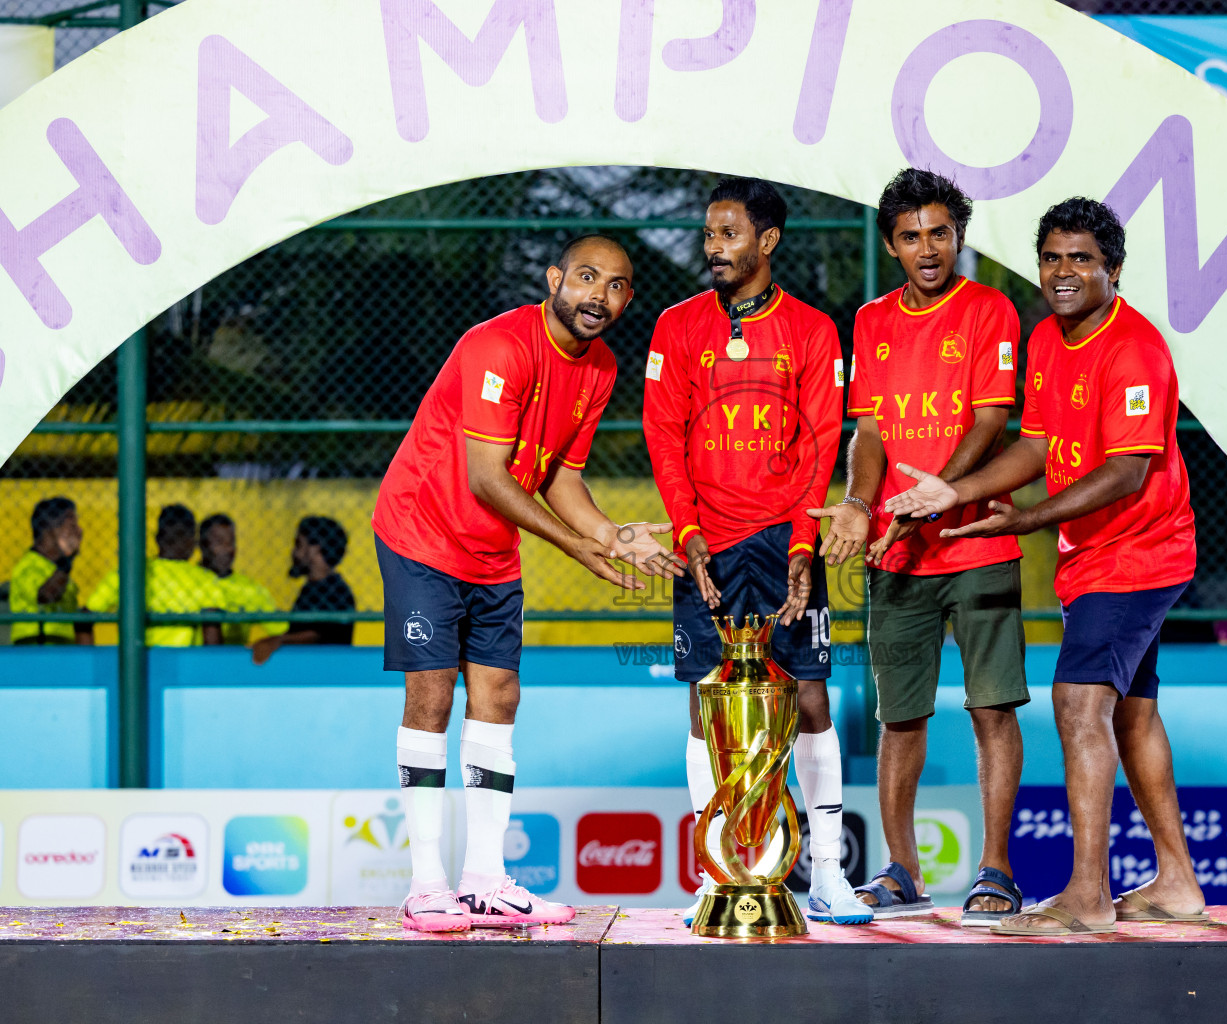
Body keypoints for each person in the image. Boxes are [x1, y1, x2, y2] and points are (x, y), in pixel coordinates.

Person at [885, 197, 1207, 934]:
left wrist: (1027, 519)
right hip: (1098, 555)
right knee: (1133, 711)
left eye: (1082, 259)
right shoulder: (1047, 338)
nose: (1064, 272)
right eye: (1053, 258)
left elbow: (1127, 471)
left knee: (1077, 703)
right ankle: (1178, 883)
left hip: (1137, 552)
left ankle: (1087, 897)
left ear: (1113, 270)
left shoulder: (1135, 349)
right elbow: (1038, 446)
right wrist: (956, 492)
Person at [372, 234, 683, 933]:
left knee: (500, 695)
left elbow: (561, 476)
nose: (597, 296)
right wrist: (577, 548)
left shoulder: (599, 367)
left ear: (627, 299)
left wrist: (608, 533)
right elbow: (489, 477)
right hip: (422, 532)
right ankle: (426, 885)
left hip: (489, 548)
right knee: (431, 697)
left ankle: (485, 880)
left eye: (615, 286)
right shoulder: (499, 347)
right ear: (554, 279)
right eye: (585, 278)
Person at [643, 176, 867, 926]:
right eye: (709, 234)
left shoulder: (811, 329)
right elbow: (662, 437)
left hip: (781, 539)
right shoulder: (675, 327)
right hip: (706, 540)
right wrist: (685, 530)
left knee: (806, 694)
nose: (714, 248)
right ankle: (717, 874)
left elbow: (820, 439)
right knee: (706, 704)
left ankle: (828, 875)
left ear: (767, 242)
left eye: (729, 234)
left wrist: (804, 541)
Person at [808, 168, 1029, 926]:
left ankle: (995, 868)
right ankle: (902, 870)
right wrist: (864, 506)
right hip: (895, 558)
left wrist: (927, 503)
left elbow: (990, 423)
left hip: (976, 541)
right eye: (911, 236)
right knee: (899, 717)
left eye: (940, 233)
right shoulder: (870, 321)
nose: (927, 248)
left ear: (958, 236)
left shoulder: (992, 310)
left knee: (991, 709)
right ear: (891, 244)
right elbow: (868, 432)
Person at [86, 504, 223, 647]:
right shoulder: (204, 579)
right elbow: (212, 638)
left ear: (157, 538)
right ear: (193, 541)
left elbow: (85, 616)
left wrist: (87, 659)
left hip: (136, 662)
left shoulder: (131, 572)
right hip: (185, 664)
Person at [251, 516, 355, 664]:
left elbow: (318, 635)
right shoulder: (311, 589)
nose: (293, 552)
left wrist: (277, 641)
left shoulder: (336, 591)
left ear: (315, 549)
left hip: (327, 672)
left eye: (298, 545)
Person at [9, 497, 92, 645]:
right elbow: (47, 595)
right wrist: (66, 561)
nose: (79, 531)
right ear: (49, 529)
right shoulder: (28, 567)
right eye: (71, 525)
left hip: (65, 653)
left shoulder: (60, 572)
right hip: (36, 653)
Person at [200, 514, 286, 647]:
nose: (228, 549)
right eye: (219, 542)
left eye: (231, 542)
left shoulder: (250, 589)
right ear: (202, 546)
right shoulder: (189, 581)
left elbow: (281, 630)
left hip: (234, 661)